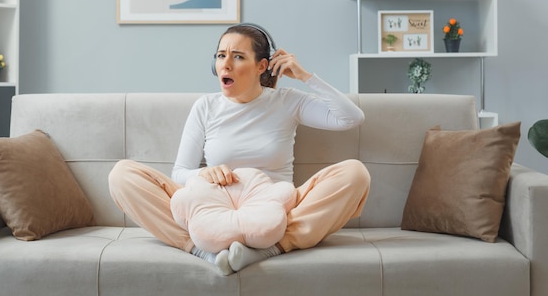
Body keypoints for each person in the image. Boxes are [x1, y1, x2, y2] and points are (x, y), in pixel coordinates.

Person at [108, 23, 370, 275]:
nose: (226, 64)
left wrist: (305, 76)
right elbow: (180, 172)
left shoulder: (287, 101)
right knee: (122, 175)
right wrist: (203, 174)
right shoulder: (206, 107)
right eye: (221, 55)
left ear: (262, 66)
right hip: (208, 208)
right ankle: (204, 251)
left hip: (278, 209)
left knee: (355, 174)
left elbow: (351, 118)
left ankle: (270, 248)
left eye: (238, 56)